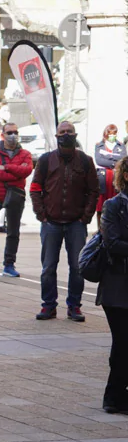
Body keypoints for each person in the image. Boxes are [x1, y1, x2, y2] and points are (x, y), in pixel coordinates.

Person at [30, 121, 98, 322]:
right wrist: (41, 213)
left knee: (77, 267)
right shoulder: (45, 160)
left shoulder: (86, 161)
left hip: (76, 223)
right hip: (50, 223)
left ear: (75, 134)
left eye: (69, 132)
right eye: (62, 132)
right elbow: (35, 188)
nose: (66, 135)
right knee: (48, 267)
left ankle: (74, 306)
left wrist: (85, 216)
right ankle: (48, 306)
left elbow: (94, 191)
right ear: (56, 135)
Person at [0, 122, 33, 278]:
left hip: (16, 196)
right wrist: (16, 172)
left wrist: (7, 167)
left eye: (15, 132)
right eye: (9, 132)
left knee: (13, 232)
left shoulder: (25, 154)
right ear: (2, 135)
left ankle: (9, 265)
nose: (13, 135)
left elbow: (27, 170)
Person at [99, 158, 128, 414]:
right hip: (118, 287)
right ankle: (113, 396)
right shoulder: (114, 206)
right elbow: (113, 243)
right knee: (122, 341)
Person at [96, 124, 127, 216]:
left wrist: (107, 157)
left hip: (116, 178)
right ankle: (101, 229)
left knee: (116, 205)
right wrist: (114, 160)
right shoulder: (99, 145)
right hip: (103, 179)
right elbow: (99, 160)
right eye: (110, 134)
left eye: (114, 134)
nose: (112, 136)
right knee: (101, 207)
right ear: (106, 133)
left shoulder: (120, 145)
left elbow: (122, 158)